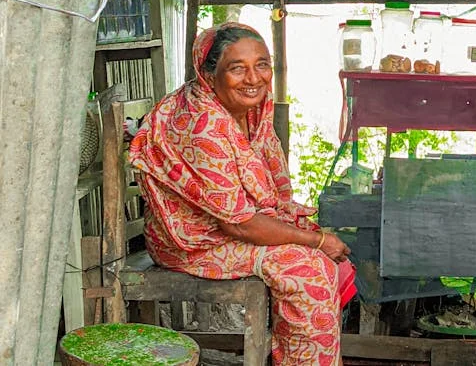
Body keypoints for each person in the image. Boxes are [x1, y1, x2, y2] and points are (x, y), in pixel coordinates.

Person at [129, 22, 355, 366]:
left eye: (262, 65)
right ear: (208, 75)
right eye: (237, 68)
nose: (253, 78)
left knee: (320, 254)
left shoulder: (251, 113)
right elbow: (239, 224)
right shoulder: (202, 125)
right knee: (307, 270)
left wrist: (312, 237)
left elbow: (256, 209)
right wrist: (318, 241)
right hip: (191, 242)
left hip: (231, 229)